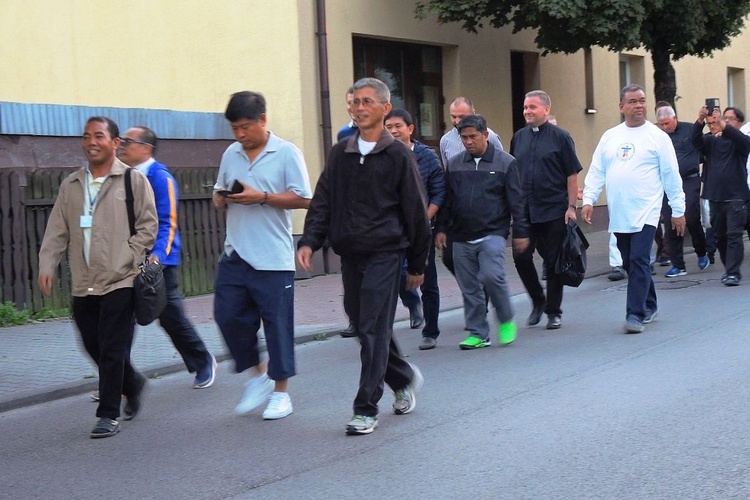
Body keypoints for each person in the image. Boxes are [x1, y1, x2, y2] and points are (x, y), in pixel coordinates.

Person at [297, 77, 430, 435]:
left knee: (372, 328)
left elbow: (416, 212)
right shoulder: (341, 153)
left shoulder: (398, 155)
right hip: (351, 254)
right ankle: (402, 377)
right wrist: (309, 240)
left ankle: (366, 407)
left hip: (386, 254)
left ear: (385, 109)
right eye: (353, 102)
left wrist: (417, 264)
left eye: (367, 102)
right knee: (363, 324)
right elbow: (323, 199)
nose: (358, 108)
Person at [38, 116, 158, 438]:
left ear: (115, 142)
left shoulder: (132, 181)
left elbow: (148, 226)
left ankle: (108, 415)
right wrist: (47, 265)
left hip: (120, 279)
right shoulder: (72, 185)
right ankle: (132, 383)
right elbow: (56, 231)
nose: (92, 142)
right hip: (83, 280)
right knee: (91, 343)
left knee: (112, 348)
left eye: (99, 136)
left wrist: (128, 257)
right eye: (87, 136)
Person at [213, 91, 312, 420]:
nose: (240, 135)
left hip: (273, 256)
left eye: (245, 127)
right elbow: (219, 188)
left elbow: (304, 199)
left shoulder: (286, 153)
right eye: (234, 129)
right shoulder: (231, 153)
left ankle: (281, 392)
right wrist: (221, 197)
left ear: (263, 120)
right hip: (235, 252)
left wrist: (263, 197)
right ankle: (258, 376)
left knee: (277, 327)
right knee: (226, 316)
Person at [118, 126, 218, 389]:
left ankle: (203, 360)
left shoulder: (160, 178)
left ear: (146, 148)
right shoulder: (121, 177)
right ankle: (117, 378)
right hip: (125, 261)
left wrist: (157, 257)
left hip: (158, 263)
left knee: (170, 317)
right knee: (118, 319)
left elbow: (168, 222)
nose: (122, 145)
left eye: (128, 141)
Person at [582, 84, 685, 334]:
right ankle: (650, 303)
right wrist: (588, 199)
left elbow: (671, 175)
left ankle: (635, 314)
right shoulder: (610, 136)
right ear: (621, 107)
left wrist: (678, 209)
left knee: (639, 260)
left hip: (646, 211)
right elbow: (597, 170)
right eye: (632, 101)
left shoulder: (657, 137)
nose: (639, 105)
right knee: (629, 262)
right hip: (620, 211)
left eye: (642, 100)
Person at [436, 114, 530, 349]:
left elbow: (516, 202)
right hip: (460, 234)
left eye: (473, 137)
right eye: (464, 137)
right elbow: (447, 200)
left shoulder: (505, 162)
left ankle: (506, 318)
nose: (468, 141)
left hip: (492, 232)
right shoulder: (456, 164)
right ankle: (478, 333)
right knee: (469, 287)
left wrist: (521, 232)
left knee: (492, 275)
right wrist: (441, 228)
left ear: (486, 135)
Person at [510, 90, 582, 330]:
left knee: (553, 263)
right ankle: (538, 300)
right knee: (520, 256)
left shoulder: (561, 137)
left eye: (532, 107)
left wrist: (572, 207)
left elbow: (571, 174)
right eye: (525, 107)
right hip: (525, 210)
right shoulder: (518, 137)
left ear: (546, 109)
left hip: (553, 209)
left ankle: (554, 311)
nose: (527, 111)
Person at [384, 108, 446, 350]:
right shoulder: (383, 155)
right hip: (393, 232)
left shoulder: (426, 157)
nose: (393, 131)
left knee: (428, 281)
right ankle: (410, 305)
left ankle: (430, 331)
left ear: (410, 129)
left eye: (397, 126)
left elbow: (439, 191)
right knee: (396, 277)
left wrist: (423, 220)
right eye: (388, 127)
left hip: (422, 231)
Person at [691, 105, 750, 285]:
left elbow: (744, 143)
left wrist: (724, 125)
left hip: (736, 197)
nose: (723, 121)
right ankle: (728, 269)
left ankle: (733, 273)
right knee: (721, 236)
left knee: (734, 234)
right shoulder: (711, 141)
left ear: (738, 123)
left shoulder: (741, 140)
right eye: (723, 117)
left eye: (729, 118)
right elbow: (695, 141)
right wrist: (700, 120)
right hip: (715, 196)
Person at [654, 106, 709, 277]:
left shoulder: (689, 129)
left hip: (689, 180)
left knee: (691, 218)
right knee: (671, 224)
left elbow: (699, 136)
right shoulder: (657, 136)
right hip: (667, 183)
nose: (664, 127)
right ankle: (679, 265)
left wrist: (700, 120)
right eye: (661, 124)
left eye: (667, 123)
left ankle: (701, 251)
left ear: (674, 118)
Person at [338, 86, 359, 338]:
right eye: (351, 102)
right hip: (350, 216)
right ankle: (354, 319)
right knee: (350, 277)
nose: (355, 107)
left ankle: (412, 304)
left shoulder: (383, 133)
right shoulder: (343, 134)